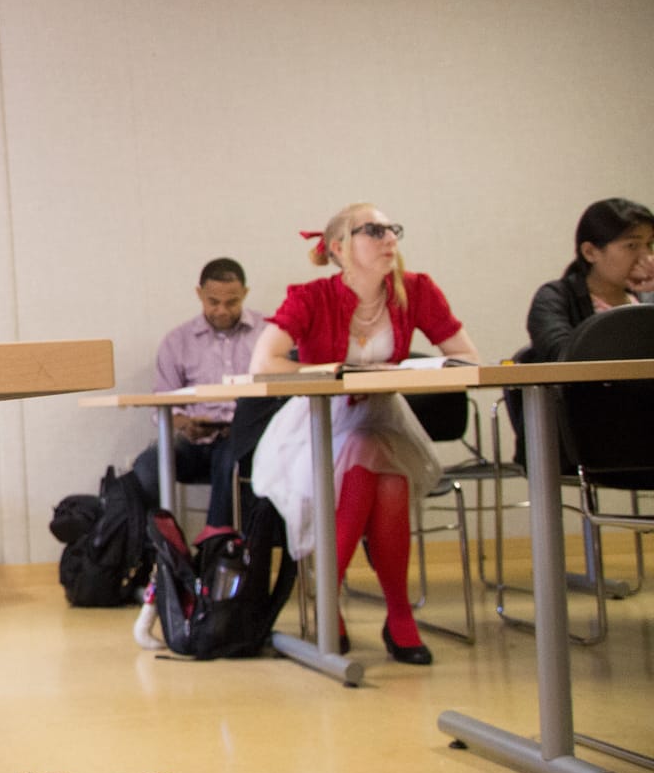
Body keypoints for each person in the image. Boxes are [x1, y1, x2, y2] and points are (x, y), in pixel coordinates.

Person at [246, 204, 478, 665]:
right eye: (373, 230)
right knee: (371, 460)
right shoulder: (312, 297)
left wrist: (411, 371)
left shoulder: (416, 290)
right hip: (319, 422)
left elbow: (469, 359)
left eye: (392, 229)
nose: (389, 238)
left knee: (380, 467)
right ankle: (393, 616)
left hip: (382, 417)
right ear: (338, 247)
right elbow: (263, 363)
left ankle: (342, 603)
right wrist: (334, 371)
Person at [130, 258, 263, 533]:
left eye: (232, 302)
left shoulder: (266, 334)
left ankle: (215, 543)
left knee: (232, 456)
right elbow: (162, 403)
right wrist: (185, 424)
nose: (222, 310)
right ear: (199, 294)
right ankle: (161, 545)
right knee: (147, 466)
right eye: (213, 302)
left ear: (245, 293)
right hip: (194, 440)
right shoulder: (177, 341)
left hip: (244, 438)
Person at [526, 198, 654, 362]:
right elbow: (563, 358)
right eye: (632, 246)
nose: (647, 257)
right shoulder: (555, 297)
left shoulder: (649, 297)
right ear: (590, 252)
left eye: (649, 244)